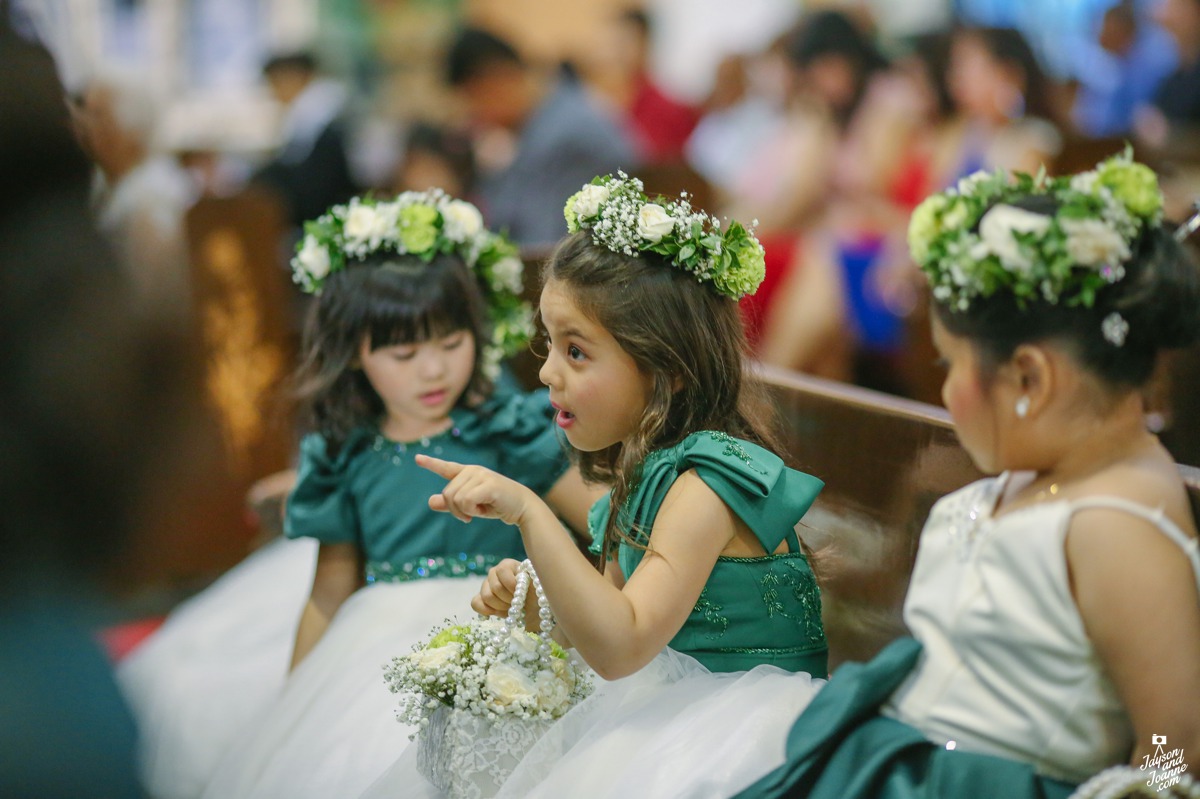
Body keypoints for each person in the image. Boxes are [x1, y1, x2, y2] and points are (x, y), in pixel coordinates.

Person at [739, 153, 1200, 797]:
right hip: (894, 765)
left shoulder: (1118, 525)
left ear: (1030, 379)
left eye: (950, 364)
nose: (946, 392)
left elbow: (1175, 747)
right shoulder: (1046, 470)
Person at [364, 174, 829, 798]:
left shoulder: (707, 485)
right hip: (671, 698)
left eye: (576, 352)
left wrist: (530, 513)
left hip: (740, 727)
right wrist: (538, 604)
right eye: (549, 344)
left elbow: (623, 645)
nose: (548, 372)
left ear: (667, 369)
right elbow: (604, 617)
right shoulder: (646, 475)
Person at [121, 191, 598, 799]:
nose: (433, 371)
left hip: (494, 613)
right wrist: (294, 696)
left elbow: (594, 511)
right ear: (355, 356)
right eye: (403, 354)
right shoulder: (346, 451)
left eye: (452, 345)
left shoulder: (502, 425)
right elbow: (329, 588)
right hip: (377, 633)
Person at [445, 27, 638, 246]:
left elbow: (543, 245)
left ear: (496, 80)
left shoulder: (567, 132)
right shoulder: (542, 122)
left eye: (473, 101)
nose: (475, 117)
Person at [251, 51, 359, 229]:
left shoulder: (320, 113)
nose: (274, 94)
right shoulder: (316, 111)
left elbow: (314, 178)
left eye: (275, 84)